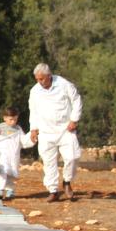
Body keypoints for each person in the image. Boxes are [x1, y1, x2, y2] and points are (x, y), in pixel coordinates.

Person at [28, 63, 82, 202]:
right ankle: (53, 191)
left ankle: (67, 182)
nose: (39, 82)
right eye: (37, 79)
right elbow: (33, 110)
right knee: (49, 161)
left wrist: (74, 120)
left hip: (65, 129)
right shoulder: (35, 91)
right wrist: (33, 128)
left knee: (72, 157)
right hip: (46, 131)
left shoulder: (64, 84)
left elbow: (76, 100)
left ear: (49, 76)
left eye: (42, 79)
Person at [0, 106, 35, 200]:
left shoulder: (18, 129)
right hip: (2, 154)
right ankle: (0, 190)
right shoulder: (0, 128)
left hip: (14, 155)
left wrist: (31, 138)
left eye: (15, 119)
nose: (13, 122)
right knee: (3, 171)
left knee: (11, 173)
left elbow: (23, 141)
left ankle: (10, 190)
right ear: (5, 118)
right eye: (11, 119)